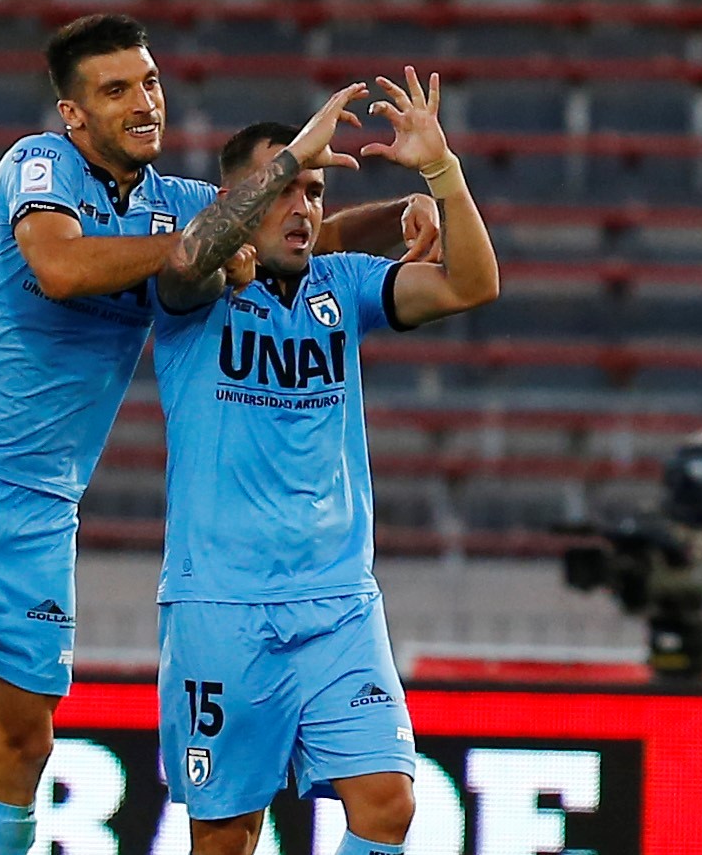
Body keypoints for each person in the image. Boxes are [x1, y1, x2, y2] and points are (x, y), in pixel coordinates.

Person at [0, 15, 438, 855]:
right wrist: (206, 235)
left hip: (45, 501)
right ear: (75, 114)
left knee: (23, 745)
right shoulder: (39, 164)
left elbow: (295, 240)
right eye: (116, 89)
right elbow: (59, 266)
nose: (143, 102)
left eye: (150, 82)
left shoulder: (184, 205)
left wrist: (404, 207)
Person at [149, 67, 500, 855]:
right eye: (283, 190)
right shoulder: (194, 293)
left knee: (388, 805)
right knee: (225, 835)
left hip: (338, 602)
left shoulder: (343, 286)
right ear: (239, 199)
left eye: (312, 191)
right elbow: (185, 263)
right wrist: (283, 165)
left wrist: (440, 174)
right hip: (220, 606)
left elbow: (474, 284)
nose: (303, 207)